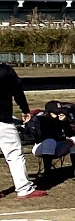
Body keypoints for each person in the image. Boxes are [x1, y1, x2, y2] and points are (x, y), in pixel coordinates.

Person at [0, 60, 43, 199]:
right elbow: (17, 91)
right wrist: (25, 109)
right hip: (2, 120)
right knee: (14, 154)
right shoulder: (5, 70)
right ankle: (24, 188)